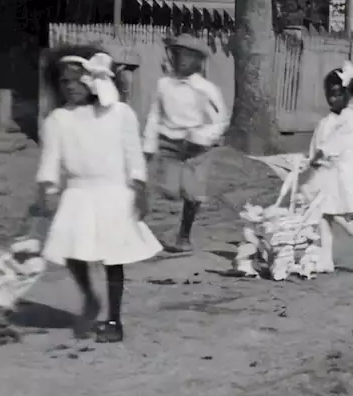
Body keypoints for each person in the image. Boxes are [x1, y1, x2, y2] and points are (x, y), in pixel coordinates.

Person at [36, 50, 161, 343]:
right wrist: (45, 189)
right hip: (78, 192)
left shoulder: (119, 113)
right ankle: (90, 297)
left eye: (76, 81)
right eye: (64, 82)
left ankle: (114, 319)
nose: (69, 87)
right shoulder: (58, 119)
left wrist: (139, 188)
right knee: (72, 251)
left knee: (112, 257)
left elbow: (133, 154)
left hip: (114, 191)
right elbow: (50, 160)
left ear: (93, 82)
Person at [143, 34, 229, 253]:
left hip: (195, 147)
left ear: (199, 61)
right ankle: (143, 235)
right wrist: (149, 144)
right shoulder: (164, 85)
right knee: (164, 189)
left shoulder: (206, 90)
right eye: (178, 54)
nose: (182, 60)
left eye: (189, 56)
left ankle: (184, 235)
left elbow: (219, 121)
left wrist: (202, 137)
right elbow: (155, 114)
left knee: (193, 191)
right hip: (168, 142)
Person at [305, 61, 353, 272]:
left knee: (335, 213)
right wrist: (311, 158)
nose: (332, 98)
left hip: (342, 171)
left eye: (337, 94)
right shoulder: (328, 120)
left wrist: (321, 154)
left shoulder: (350, 118)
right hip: (327, 171)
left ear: (347, 94)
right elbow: (319, 141)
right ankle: (326, 259)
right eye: (329, 94)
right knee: (323, 214)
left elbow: (336, 143)